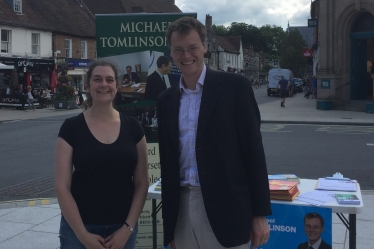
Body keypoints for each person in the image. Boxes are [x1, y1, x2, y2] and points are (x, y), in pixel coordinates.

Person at [157, 16, 271, 249]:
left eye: (192, 48)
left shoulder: (235, 88)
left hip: (226, 209)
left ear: (205, 48)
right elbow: (167, 162)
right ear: (171, 52)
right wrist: (169, 225)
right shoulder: (166, 100)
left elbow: (254, 152)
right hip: (180, 210)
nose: (186, 56)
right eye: (178, 50)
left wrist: (260, 214)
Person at [55, 60, 149, 249]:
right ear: (88, 86)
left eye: (109, 80)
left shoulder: (134, 128)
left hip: (122, 229)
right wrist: (82, 235)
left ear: (117, 86)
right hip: (79, 229)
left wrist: (127, 229)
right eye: (97, 79)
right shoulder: (71, 128)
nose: (104, 84)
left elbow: (141, 183)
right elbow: (61, 186)